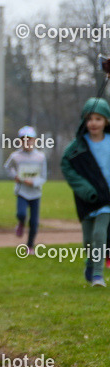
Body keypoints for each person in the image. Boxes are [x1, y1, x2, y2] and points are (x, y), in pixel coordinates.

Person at [61, 97, 110, 287]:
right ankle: (90, 262)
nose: (93, 123)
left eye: (98, 118)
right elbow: (66, 165)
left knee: (99, 233)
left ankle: (98, 274)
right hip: (87, 199)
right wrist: (84, 189)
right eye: (89, 118)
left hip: (107, 199)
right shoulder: (77, 147)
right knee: (88, 240)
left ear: (106, 121)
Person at [4, 126, 47, 254]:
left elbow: (43, 177)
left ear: (34, 140)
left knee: (34, 222)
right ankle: (21, 223)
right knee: (21, 214)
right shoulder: (15, 156)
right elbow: (7, 167)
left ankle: (30, 245)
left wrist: (33, 182)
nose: (27, 142)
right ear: (20, 141)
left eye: (29, 139)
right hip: (22, 191)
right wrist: (15, 176)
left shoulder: (40, 157)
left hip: (35, 193)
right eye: (23, 140)